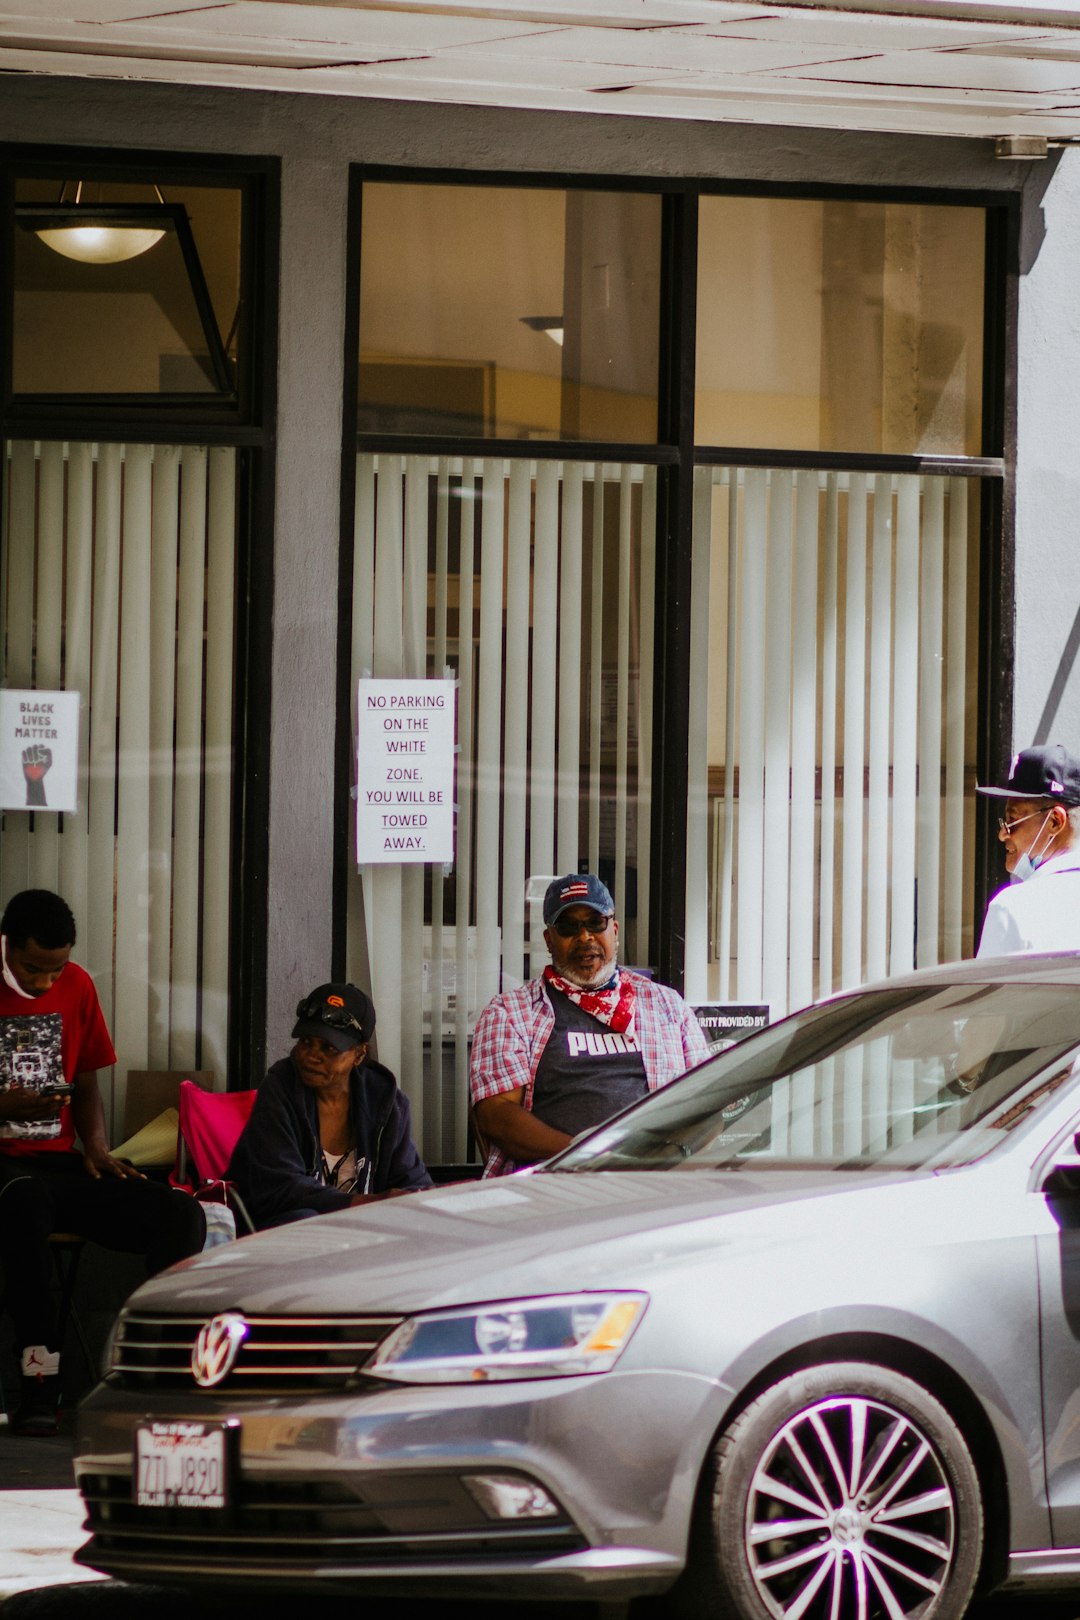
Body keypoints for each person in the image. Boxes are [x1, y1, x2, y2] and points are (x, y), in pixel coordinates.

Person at [0, 889, 206, 1437]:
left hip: (59, 1164)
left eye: (57, 968)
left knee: (178, 1215)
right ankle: (39, 1385)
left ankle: (161, 1376)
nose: (46, 982)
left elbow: (87, 1078)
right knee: (23, 1201)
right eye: (32, 968)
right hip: (7, 1175)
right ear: (7, 945)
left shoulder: (79, 985)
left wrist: (96, 1146)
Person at [470, 874, 709, 1176]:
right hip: (554, 1181)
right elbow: (496, 1117)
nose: (584, 938)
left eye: (595, 923)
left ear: (615, 931)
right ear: (549, 940)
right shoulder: (510, 1012)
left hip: (655, 1179)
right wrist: (583, 1155)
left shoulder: (667, 1005)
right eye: (569, 927)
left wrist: (671, 1154)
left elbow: (707, 1102)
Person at [228, 981, 432, 1228]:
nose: (312, 1055)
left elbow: (414, 1182)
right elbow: (280, 1188)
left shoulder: (386, 1103)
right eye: (306, 1042)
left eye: (329, 1048)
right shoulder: (279, 1090)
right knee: (304, 1222)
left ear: (358, 1055)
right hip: (282, 1236)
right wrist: (367, 1203)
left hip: (360, 1241)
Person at [975, 743, 1080, 957]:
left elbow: (993, 991)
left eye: (1012, 820)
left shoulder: (1013, 907)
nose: (1003, 834)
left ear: (1054, 822)